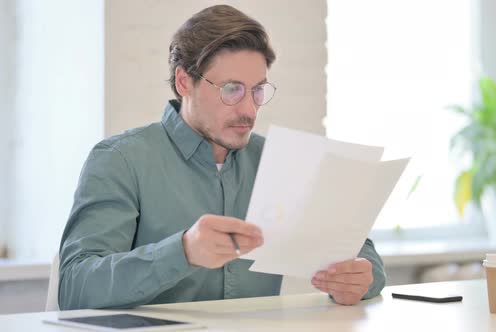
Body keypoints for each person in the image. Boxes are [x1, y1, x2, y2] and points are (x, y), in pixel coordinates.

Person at [59, 4, 385, 310]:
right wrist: (182, 252)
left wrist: (360, 278)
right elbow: (76, 288)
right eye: (231, 89)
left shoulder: (279, 160)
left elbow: (359, 251)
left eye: (257, 90)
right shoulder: (121, 160)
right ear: (184, 81)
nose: (249, 109)